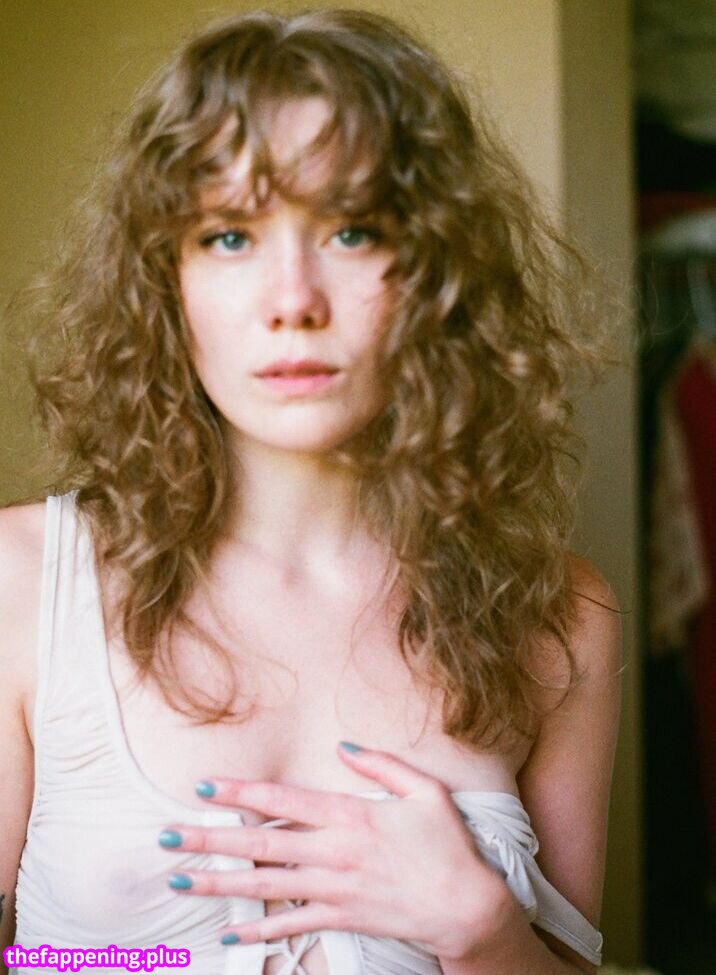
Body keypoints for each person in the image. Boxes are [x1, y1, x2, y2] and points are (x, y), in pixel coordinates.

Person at [0, 8, 622, 975]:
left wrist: (484, 930)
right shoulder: (21, 581)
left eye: (352, 230)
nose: (293, 299)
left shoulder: (562, 618)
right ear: (164, 281)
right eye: (229, 236)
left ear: (437, 274)